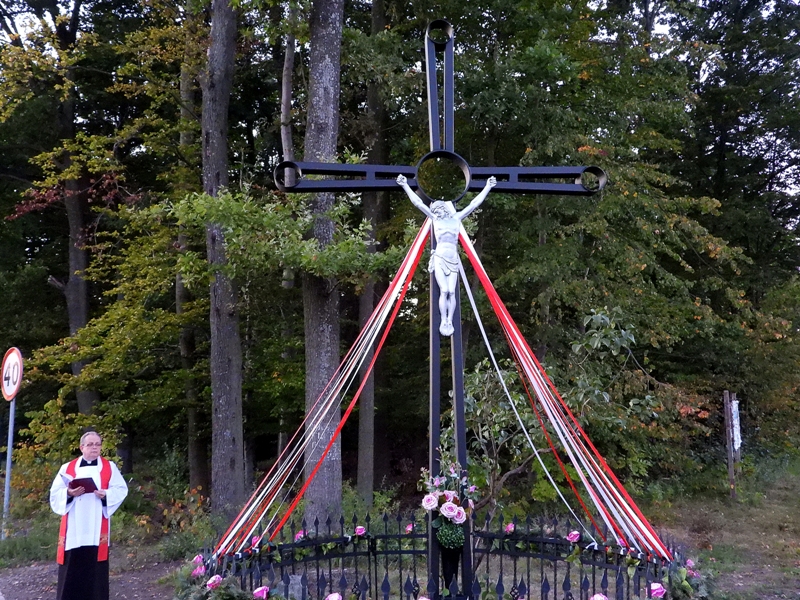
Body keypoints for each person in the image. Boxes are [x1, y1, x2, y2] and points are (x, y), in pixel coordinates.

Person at [397, 174, 496, 336]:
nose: (437, 212)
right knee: (444, 290)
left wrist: (488, 187)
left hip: (453, 258)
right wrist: (405, 185)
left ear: (444, 209)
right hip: (440, 258)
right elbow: (418, 203)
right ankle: (444, 319)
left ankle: (450, 319)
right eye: (435, 211)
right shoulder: (435, 219)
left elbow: (474, 204)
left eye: (438, 210)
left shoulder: (456, 218)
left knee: (451, 291)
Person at [50, 431, 128, 600]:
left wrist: (106, 494)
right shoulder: (67, 468)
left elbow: (121, 489)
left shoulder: (109, 467)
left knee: (95, 572)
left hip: (96, 526)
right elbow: (55, 493)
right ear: (82, 447)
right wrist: (69, 493)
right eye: (90, 444)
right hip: (74, 527)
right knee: (72, 570)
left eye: (97, 444)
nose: (94, 448)